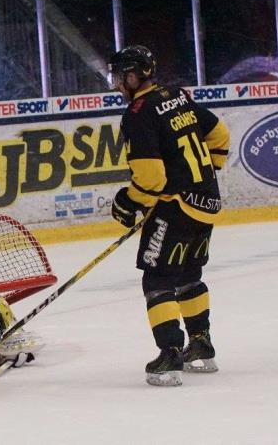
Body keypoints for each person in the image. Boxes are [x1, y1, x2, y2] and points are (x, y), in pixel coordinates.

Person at [107, 45, 230, 386]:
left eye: (119, 77)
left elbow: (151, 178)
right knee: (189, 272)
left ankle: (170, 355)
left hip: (174, 206)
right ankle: (201, 347)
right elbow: (219, 135)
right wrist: (202, 177)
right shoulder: (176, 95)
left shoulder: (138, 112)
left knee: (157, 277)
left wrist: (130, 203)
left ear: (133, 76)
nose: (117, 84)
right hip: (206, 202)